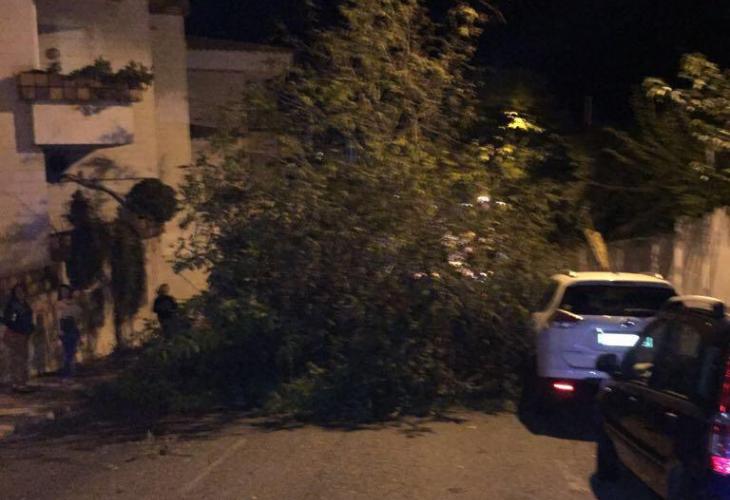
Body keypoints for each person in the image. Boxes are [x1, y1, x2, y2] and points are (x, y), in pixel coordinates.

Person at [3, 284, 34, 392]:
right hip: (15, 335)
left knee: (23, 359)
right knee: (16, 359)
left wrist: (30, 328)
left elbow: (28, 319)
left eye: (22, 291)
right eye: (18, 292)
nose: (20, 294)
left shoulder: (25, 305)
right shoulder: (13, 306)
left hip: (24, 335)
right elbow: (9, 320)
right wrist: (17, 328)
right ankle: (17, 383)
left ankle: (21, 382)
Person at [56, 285, 82, 379]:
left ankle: (71, 372)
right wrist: (59, 330)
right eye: (62, 291)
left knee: (72, 351)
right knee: (67, 352)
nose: (64, 293)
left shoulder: (73, 303)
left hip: (72, 327)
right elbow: (58, 318)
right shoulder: (60, 304)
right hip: (65, 328)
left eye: (66, 291)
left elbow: (78, 313)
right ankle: (67, 374)